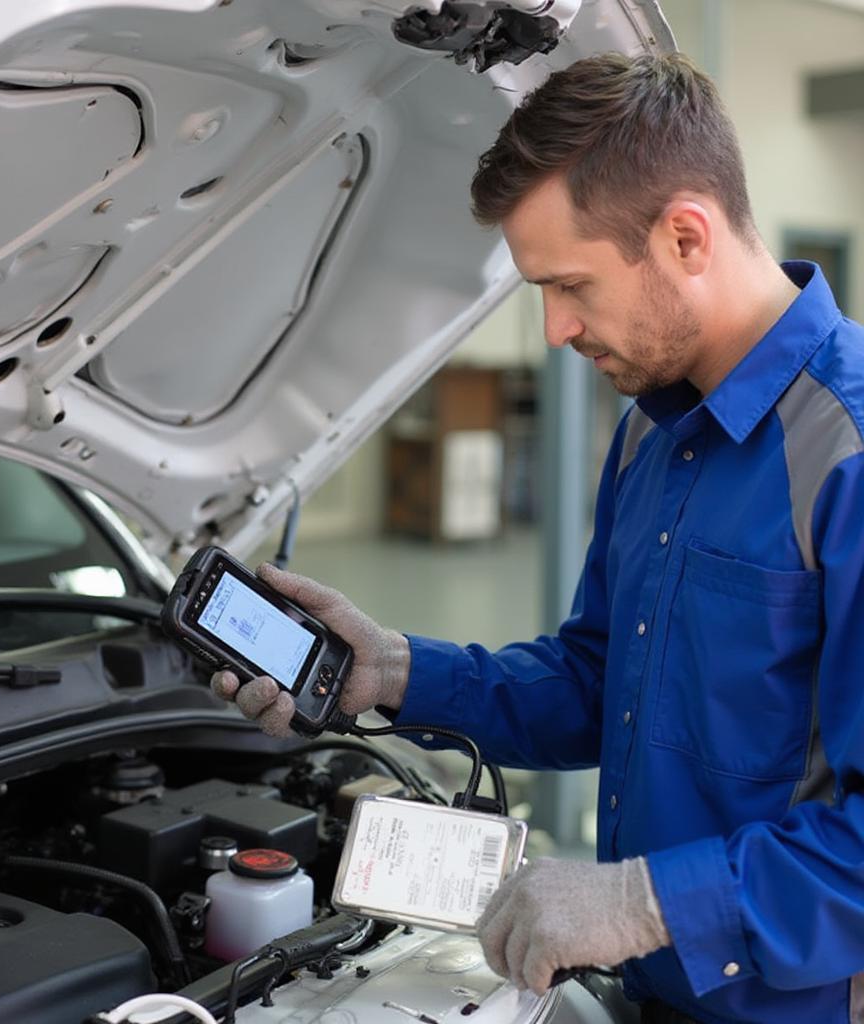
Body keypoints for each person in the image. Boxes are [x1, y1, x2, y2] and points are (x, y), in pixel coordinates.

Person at [211, 51, 864, 1024]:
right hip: (648, 988)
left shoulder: (845, 454)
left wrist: (643, 901)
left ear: (686, 235)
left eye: (571, 286)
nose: (555, 330)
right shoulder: (651, 427)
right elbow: (598, 682)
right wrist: (390, 671)